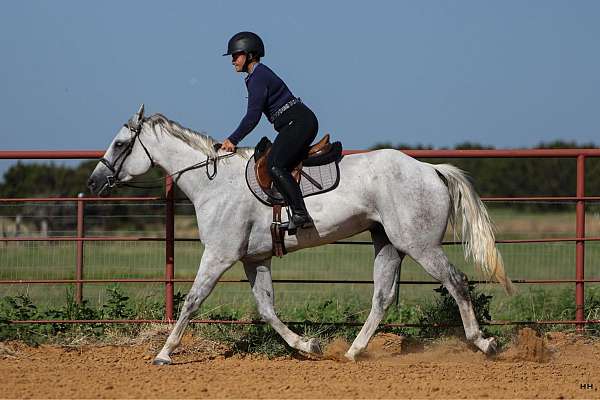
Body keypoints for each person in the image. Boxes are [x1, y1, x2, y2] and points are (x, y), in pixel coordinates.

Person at [221, 32, 318, 231]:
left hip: (298, 122)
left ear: (249, 55)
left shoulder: (258, 77)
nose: (232, 61)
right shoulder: (256, 76)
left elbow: (253, 116)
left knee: (274, 164)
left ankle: (300, 214)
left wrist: (233, 139)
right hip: (296, 122)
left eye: (236, 55)